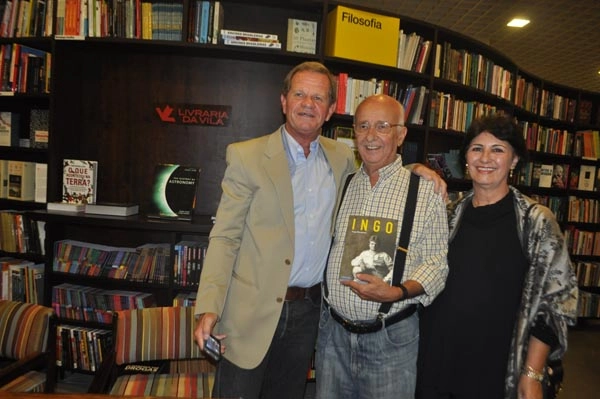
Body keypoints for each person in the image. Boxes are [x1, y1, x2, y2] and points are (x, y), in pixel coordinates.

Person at [192, 62, 446, 399]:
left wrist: (414, 170)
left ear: (329, 111)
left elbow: (381, 169)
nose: (308, 103)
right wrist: (208, 306)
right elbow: (225, 237)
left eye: (318, 97)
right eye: (299, 94)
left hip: (310, 314)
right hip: (250, 314)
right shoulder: (246, 156)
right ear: (284, 101)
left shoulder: (341, 157)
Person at [417, 114, 579, 399]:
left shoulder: (536, 222)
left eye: (498, 149)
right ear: (465, 157)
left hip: (496, 367)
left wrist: (532, 375)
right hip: (437, 358)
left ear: (514, 160)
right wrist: (416, 167)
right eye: (477, 148)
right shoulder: (449, 214)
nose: (485, 158)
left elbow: (557, 303)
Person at [316, 94, 449, 399]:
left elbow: (437, 266)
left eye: (382, 126)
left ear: (401, 134)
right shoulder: (344, 183)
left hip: (390, 340)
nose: (371, 136)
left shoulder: (425, 191)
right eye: (363, 126)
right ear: (354, 134)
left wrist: (396, 293)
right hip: (332, 336)